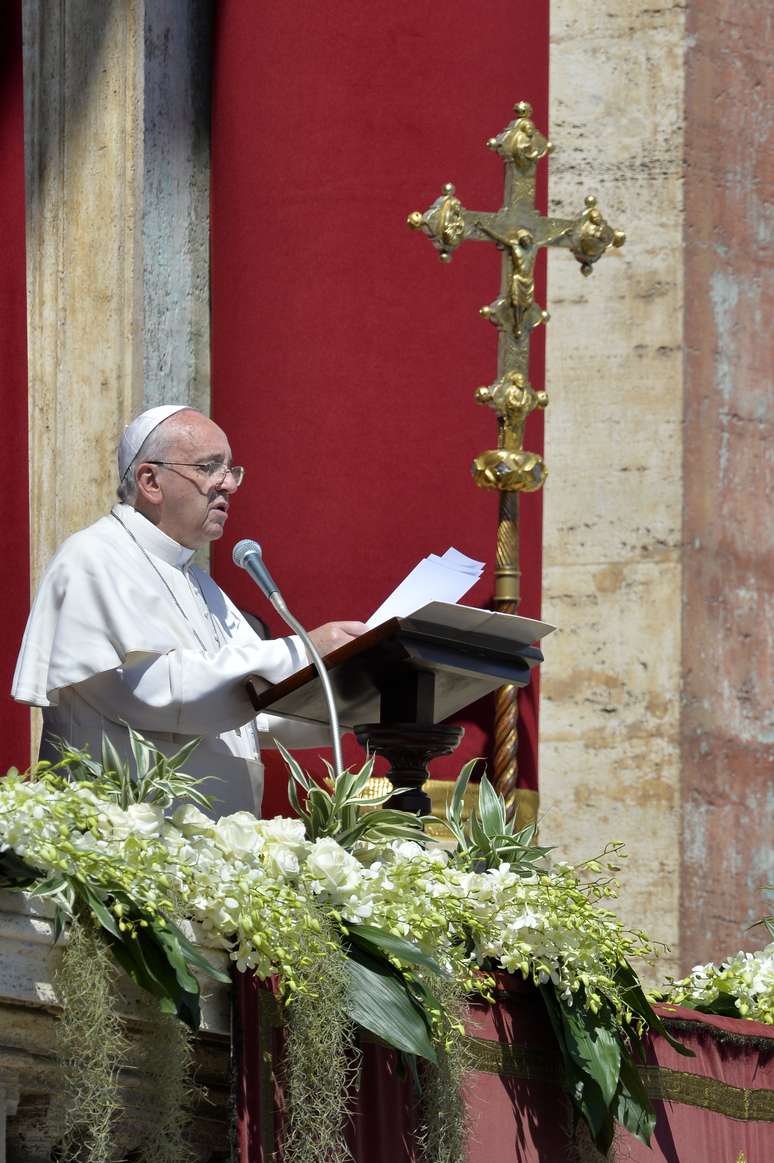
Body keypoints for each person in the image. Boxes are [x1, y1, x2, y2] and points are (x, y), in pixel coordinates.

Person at [12, 405, 367, 814]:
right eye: (208, 467)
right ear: (150, 480)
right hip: (123, 846)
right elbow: (152, 692)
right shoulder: (92, 558)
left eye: (232, 470)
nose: (228, 484)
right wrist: (302, 652)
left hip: (209, 854)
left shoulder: (200, 582)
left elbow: (255, 710)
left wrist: (356, 709)